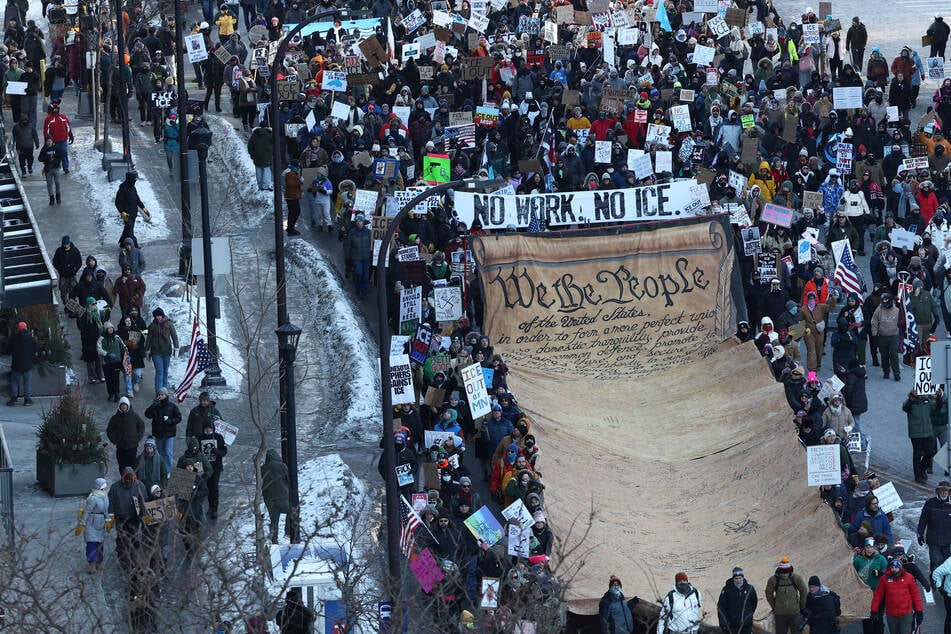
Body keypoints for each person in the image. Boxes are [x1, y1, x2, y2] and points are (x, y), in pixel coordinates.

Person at [107, 466, 148, 571]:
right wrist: (110, 516)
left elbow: (143, 500)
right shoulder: (115, 488)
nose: (129, 481)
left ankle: (133, 559)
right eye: (127, 479)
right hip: (120, 518)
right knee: (121, 539)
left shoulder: (139, 486)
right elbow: (110, 502)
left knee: (134, 538)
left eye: (131, 479)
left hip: (134, 518)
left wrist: (143, 513)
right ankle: (123, 560)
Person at [870, 559, 923, 634]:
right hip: (891, 614)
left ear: (900, 568)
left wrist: (919, 611)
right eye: (892, 567)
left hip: (906, 613)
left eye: (896, 567)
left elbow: (916, 595)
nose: (894, 569)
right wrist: (874, 610)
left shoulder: (909, 578)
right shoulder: (884, 578)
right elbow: (878, 595)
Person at [904, 388, 939, 482]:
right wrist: (912, 398)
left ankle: (922, 469)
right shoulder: (910, 402)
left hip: (928, 431)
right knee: (917, 453)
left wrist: (938, 397)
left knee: (931, 452)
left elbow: (936, 408)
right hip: (916, 432)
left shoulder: (927, 401)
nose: (921, 395)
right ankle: (918, 476)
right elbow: (905, 408)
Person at [764, 557, 807, 634]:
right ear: (779, 571)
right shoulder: (773, 580)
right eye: (783, 572)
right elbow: (768, 594)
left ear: (790, 570)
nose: (784, 574)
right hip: (780, 615)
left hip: (795, 613)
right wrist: (775, 607)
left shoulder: (796, 578)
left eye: (786, 572)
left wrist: (801, 607)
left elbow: (803, 591)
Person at [76, 477, 110, 574]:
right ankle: (92, 565)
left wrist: (108, 520)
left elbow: (106, 510)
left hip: (101, 523)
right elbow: (87, 511)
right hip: (91, 523)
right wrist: (82, 523)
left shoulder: (105, 497)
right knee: (92, 544)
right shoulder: (93, 498)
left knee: (100, 544)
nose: (105, 489)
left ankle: (99, 562)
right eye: (103, 487)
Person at [144, 387, 182, 473]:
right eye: (159, 395)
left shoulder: (172, 406)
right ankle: (161, 469)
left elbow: (179, 417)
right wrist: (153, 405)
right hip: (158, 433)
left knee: (168, 452)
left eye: (162, 395)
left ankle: (168, 470)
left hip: (169, 433)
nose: (160, 396)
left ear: (166, 395)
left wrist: (171, 421)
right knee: (160, 452)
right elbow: (147, 414)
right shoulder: (155, 406)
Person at [918, 480, 951, 574]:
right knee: (937, 561)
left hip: (948, 541)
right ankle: (935, 583)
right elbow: (923, 520)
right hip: (933, 540)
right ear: (938, 491)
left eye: (946, 490)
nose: (944, 492)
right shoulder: (930, 503)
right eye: (942, 490)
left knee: (947, 564)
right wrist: (920, 534)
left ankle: (944, 585)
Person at [106, 397, 145, 475]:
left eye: (125, 405)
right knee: (122, 465)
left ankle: (132, 480)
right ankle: (123, 479)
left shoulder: (134, 416)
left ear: (128, 406)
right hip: (121, 447)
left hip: (132, 446)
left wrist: (137, 438)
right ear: (119, 406)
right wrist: (115, 440)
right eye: (122, 405)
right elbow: (109, 430)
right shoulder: (115, 418)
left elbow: (141, 426)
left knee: (132, 464)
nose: (123, 407)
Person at [197, 420, 227, 519]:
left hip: (216, 467)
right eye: (206, 428)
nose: (208, 430)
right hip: (204, 468)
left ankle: (213, 508)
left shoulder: (218, 438)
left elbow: (224, 451)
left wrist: (217, 452)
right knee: (204, 489)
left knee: (213, 488)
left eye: (209, 428)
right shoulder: (199, 438)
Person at [144, 307, 178, 394]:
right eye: (156, 316)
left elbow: (174, 336)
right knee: (159, 371)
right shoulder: (152, 326)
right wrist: (147, 350)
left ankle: (164, 390)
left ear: (162, 316)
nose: (158, 317)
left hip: (167, 351)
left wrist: (176, 347)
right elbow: (149, 338)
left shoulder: (169, 324)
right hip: (156, 352)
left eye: (159, 315)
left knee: (165, 371)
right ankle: (159, 391)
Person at [870, 293, 902, 381]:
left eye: (886, 300)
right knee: (884, 355)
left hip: (894, 336)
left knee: (893, 354)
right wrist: (874, 334)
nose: (884, 302)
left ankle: (896, 373)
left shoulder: (897, 310)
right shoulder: (878, 310)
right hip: (882, 336)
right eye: (883, 300)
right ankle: (886, 371)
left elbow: (901, 322)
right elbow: (874, 322)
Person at [262, 448, 291, 544]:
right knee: (293, 510)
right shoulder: (282, 466)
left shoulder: (262, 468)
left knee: (274, 521)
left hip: (269, 499)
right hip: (282, 498)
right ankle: (288, 532)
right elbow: (289, 479)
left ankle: (274, 540)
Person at [717, 567, 757, 634]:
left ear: (743, 578)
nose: (738, 580)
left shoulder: (750, 588)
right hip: (732, 625)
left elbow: (754, 603)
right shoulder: (726, 589)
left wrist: (749, 614)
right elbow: (721, 607)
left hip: (746, 624)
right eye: (736, 578)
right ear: (733, 578)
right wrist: (723, 623)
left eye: (740, 578)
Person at [115, 170, 149, 247]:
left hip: (134, 213)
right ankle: (135, 245)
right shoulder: (123, 189)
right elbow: (117, 202)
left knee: (127, 228)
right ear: (130, 180)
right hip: (127, 215)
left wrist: (143, 207)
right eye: (134, 180)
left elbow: (136, 199)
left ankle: (122, 242)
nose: (135, 181)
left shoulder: (132, 188)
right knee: (130, 231)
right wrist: (122, 212)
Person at [97, 321, 128, 403]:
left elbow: (123, 347)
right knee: (109, 379)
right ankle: (111, 393)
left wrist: (126, 354)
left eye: (111, 328)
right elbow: (99, 349)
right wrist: (107, 354)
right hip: (106, 362)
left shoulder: (117, 337)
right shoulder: (102, 339)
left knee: (116, 378)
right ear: (105, 329)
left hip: (116, 362)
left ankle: (117, 394)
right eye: (108, 328)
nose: (110, 330)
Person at [6, 321, 35, 406]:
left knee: (14, 381)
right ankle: (27, 400)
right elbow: (34, 350)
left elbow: (8, 351)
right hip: (27, 365)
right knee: (27, 382)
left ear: (17, 329)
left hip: (16, 365)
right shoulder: (31, 339)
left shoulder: (13, 339)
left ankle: (14, 399)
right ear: (26, 329)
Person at [42, 102, 73, 173]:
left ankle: (65, 168)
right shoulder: (48, 119)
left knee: (64, 153)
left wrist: (70, 134)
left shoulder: (63, 117)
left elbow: (68, 126)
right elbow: (46, 131)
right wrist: (47, 140)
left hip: (63, 140)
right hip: (54, 141)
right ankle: (55, 167)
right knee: (54, 154)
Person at [346, 214, 372, 297]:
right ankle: (358, 288)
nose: (359, 222)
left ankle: (364, 291)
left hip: (366, 257)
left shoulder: (368, 232)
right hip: (356, 258)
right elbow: (348, 245)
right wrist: (347, 257)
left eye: (360, 221)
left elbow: (372, 244)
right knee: (358, 273)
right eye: (357, 221)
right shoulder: (352, 232)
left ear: (363, 222)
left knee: (365, 275)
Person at [51, 235, 81, 304]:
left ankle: (73, 306)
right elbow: (55, 261)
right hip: (63, 276)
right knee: (63, 293)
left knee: (73, 292)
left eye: (67, 244)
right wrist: (59, 269)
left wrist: (75, 269)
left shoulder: (75, 250)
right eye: (64, 244)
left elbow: (79, 262)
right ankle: (66, 305)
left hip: (72, 275)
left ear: (69, 243)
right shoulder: (59, 251)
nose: (65, 246)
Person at [36, 135, 63, 205]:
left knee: (57, 182)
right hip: (48, 169)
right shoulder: (44, 149)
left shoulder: (56, 147)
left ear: (52, 141)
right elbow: (39, 159)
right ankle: (51, 198)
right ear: (46, 142)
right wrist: (46, 158)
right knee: (49, 184)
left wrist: (57, 162)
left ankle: (58, 197)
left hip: (56, 168)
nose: (49, 142)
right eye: (47, 141)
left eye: (50, 141)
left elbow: (62, 155)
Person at [283, 163, 303, 236]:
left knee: (293, 212)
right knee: (295, 212)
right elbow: (291, 184)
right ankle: (291, 229)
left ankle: (290, 228)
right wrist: (300, 181)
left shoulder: (291, 172)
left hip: (292, 195)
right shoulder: (291, 173)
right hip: (292, 196)